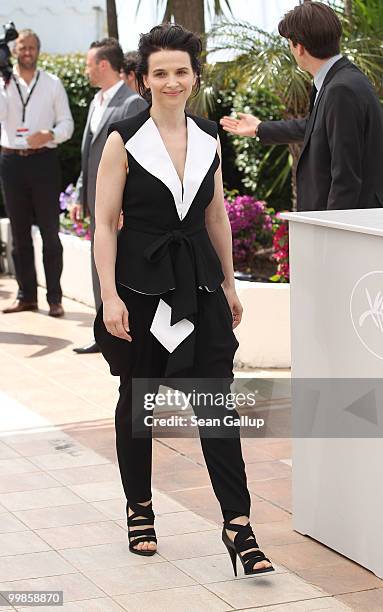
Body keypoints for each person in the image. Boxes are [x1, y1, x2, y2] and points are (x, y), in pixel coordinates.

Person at [92, 23, 274, 575]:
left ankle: (238, 525)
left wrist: (229, 283)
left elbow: (215, 214)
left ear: (195, 77)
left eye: (181, 72)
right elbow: (103, 224)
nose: (172, 82)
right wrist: (108, 298)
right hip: (139, 285)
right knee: (138, 400)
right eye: (160, 73)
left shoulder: (209, 138)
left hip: (198, 283)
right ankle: (140, 507)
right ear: (144, 80)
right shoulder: (123, 137)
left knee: (216, 401)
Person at [220, 1, 383, 212]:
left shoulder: (340, 89)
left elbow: (346, 177)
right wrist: (260, 128)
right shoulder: (339, 80)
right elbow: (316, 128)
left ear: (299, 47)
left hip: (349, 229)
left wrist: (331, 236)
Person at [71, 38, 147, 354]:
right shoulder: (95, 102)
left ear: (103, 65)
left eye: (90, 64)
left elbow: (139, 159)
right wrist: (79, 195)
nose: (87, 70)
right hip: (95, 200)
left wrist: (126, 204)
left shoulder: (132, 103)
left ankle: (125, 332)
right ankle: (103, 331)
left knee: (121, 267)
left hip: (119, 206)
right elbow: (88, 154)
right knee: (98, 265)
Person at [0, 29, 74, 316]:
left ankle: (54, 298)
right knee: (19, 234)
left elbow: (67, 124)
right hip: (10, 162)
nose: (26, 52)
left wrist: (50, 134)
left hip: (43, 160)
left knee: (50, 233)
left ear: (38, 51)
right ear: (15, 50)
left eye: (31, 47)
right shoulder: (3, 82)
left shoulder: (52, 84)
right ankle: (26, 295)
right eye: (22, 47)